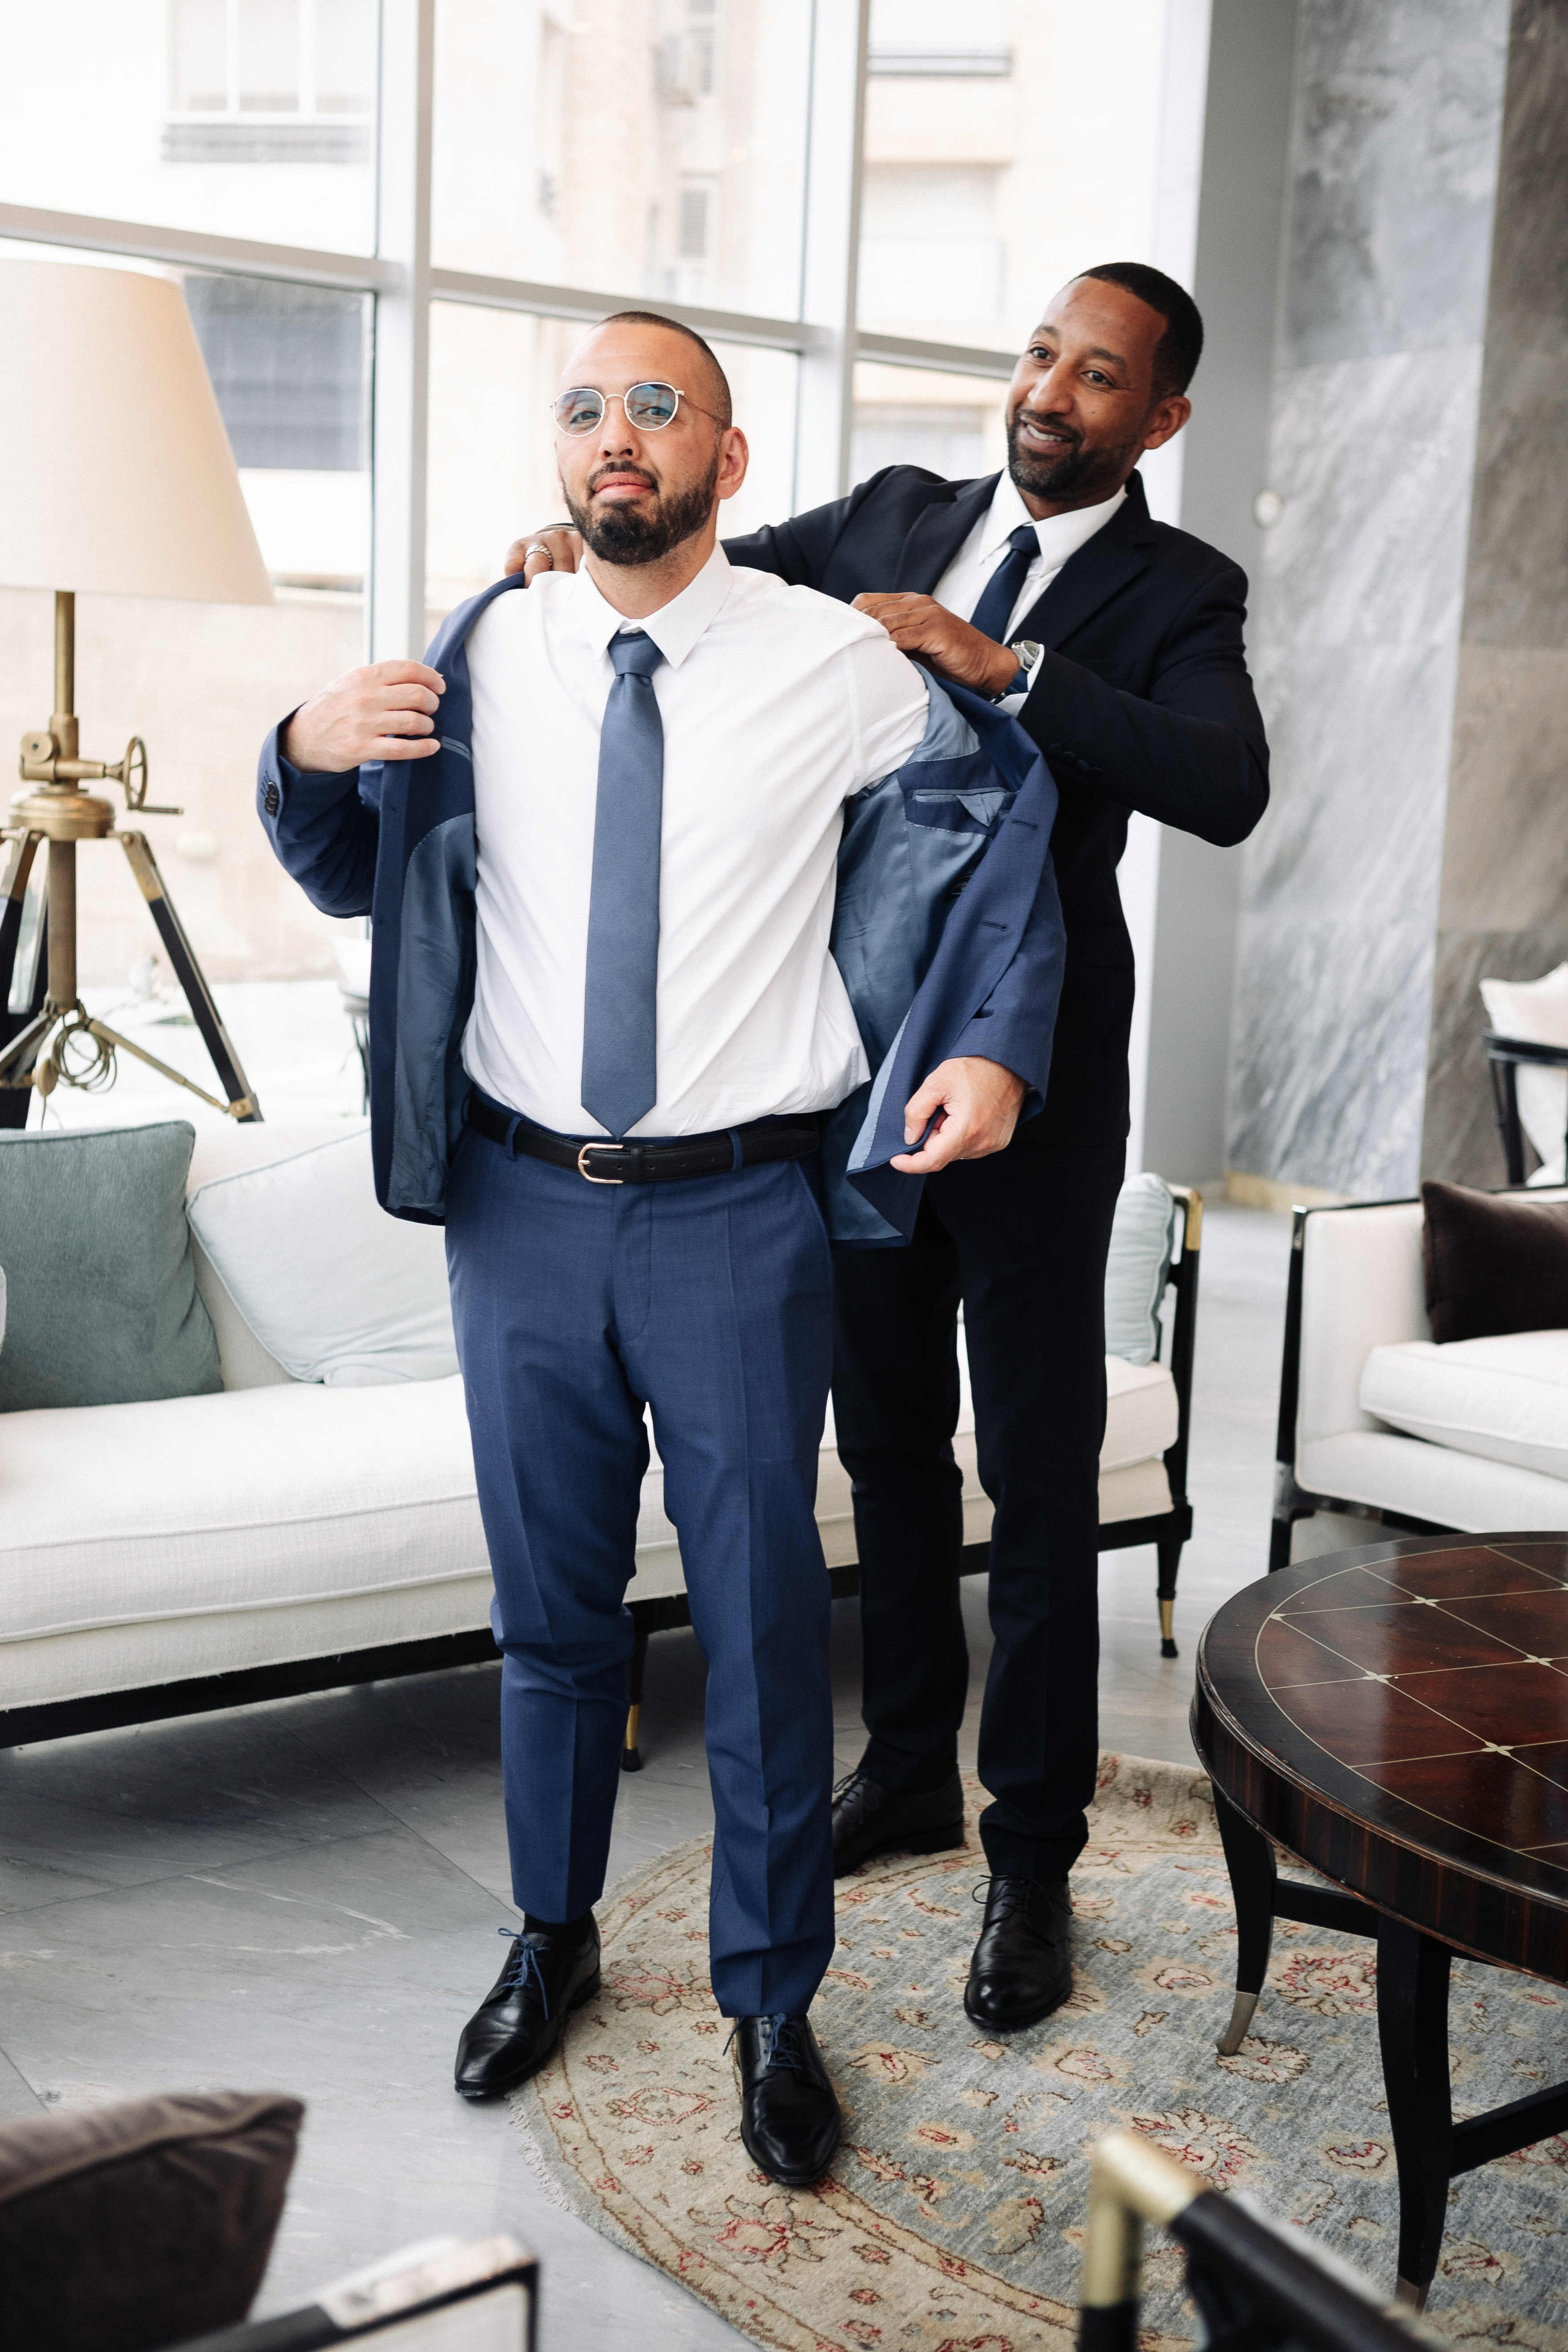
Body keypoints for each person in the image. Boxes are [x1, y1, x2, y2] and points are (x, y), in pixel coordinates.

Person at [255, 311, 1067, 2184]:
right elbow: (334, 853)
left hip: (736, 1216)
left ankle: (773, 2002)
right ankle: (552, 1939)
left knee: (773, 1628)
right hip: (521, 1211)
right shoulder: (485, 645)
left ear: (727, 455)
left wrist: (990, 1043)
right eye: (584, 409)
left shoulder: (830, 659)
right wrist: (298, 744)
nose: (617, 436)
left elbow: (1002, 819)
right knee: (549, 1620)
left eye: (656, 407)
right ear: (560, 456)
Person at [503, 263, 1270, 2035]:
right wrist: (565, 562)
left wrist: (1013, 665)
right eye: (1039, 354)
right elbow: (705, 585)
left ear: (1156, 420)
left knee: (1040, 1473)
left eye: (1099, 377)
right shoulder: (899, 511)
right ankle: (909, 1764)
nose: (1050, 393)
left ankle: (1032, 1856)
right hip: (840, 1064)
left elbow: (1222, 783)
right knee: (890, 1447)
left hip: (1036, 1082)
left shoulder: (1178, 588)